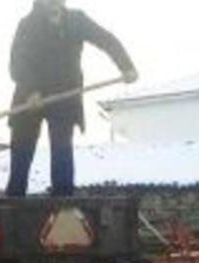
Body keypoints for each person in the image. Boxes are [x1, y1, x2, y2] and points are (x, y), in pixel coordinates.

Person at [7, 0, 138, 197]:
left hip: (65, 98)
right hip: (29, 99)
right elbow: (17, 62)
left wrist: (126, 66)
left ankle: (62, 202)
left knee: (62, 150)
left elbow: (106, 40)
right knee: (21, 152)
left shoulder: (77, 20)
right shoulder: (27, 24)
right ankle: (13, 203)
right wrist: (31, 91)